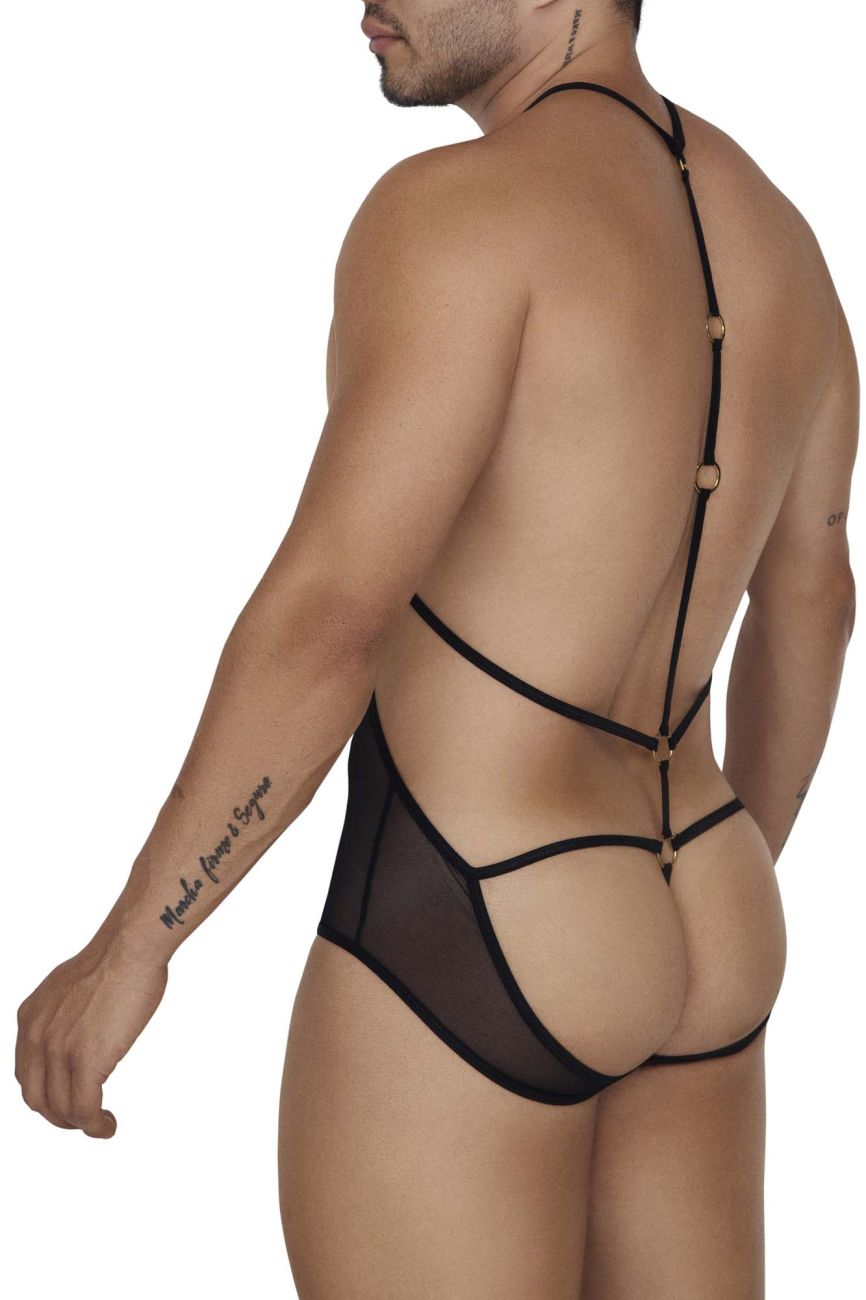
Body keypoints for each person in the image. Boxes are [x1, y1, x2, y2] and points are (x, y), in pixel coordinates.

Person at [15, 0, 858, 1295]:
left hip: (487, 895)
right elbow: (813, 599)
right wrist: (714, 880)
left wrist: (134, 943)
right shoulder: (782, 239)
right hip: (713, 897)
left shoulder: (459, 210)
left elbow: (330, 612)